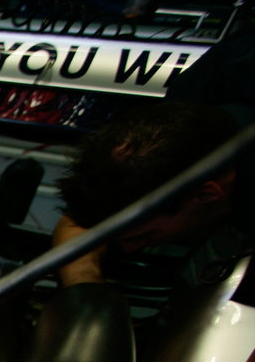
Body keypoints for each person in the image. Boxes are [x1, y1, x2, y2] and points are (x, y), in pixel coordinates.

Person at [52, 100, 248, 288]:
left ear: (205, 195)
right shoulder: (172, 124)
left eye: (143, 235)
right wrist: (85, 289)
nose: (129, 249)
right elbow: (76, 223)